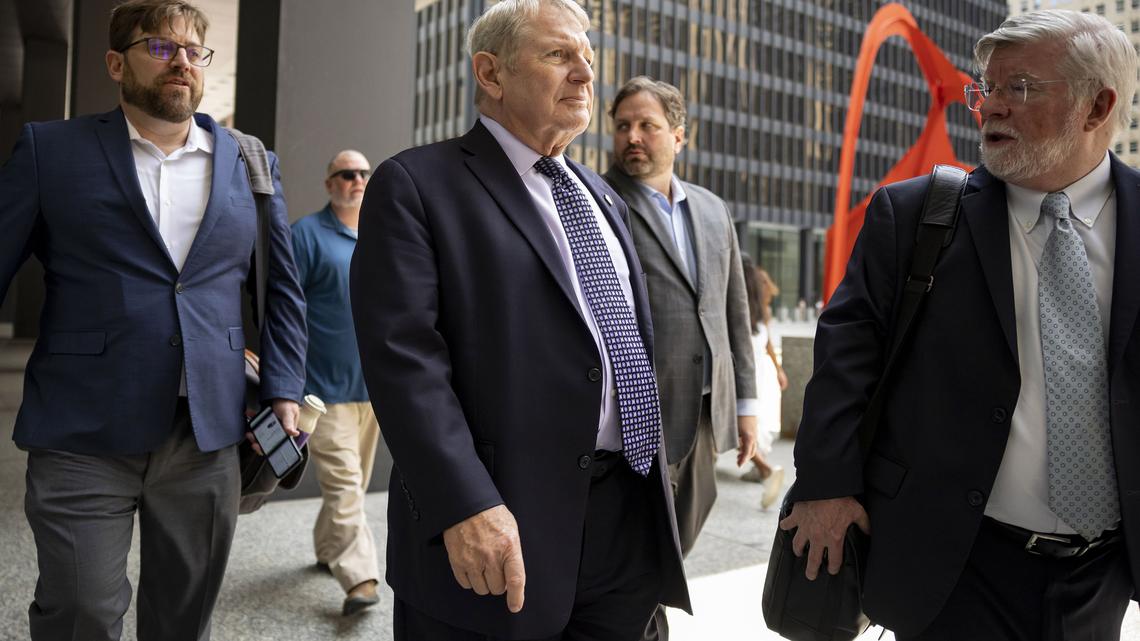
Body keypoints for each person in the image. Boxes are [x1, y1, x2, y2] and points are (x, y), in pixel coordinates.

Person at [783, 9, 1139, 640]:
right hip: (954, 560)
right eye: (987, 88)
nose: (990, 107)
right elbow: (845, 360)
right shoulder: (916, 215)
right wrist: (824, 487)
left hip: (1104, 572)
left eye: (1020, 88)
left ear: (1097, 106)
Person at [349, 1, 690, 639]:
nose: (586, 75)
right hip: (495, 526)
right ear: (491, 72)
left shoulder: (602, 195)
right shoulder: (416, 184)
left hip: (625, 524)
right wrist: (465, 504)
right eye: (559, 55)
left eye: (587, 58)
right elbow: (404, 363)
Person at [0, 1, 307, 639]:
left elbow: (281, 288)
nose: (183, 63)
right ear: (117, 62)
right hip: (81, 428)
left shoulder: (250, 161)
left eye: (195, 51)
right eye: (162, 48)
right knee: (79, 609)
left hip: (208, 430)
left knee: (181, 616)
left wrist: (282, 389)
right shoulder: (50, 150)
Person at [291, 150, 381, 616]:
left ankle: (329, 549)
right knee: (345, 483)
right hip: (322, 391)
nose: (358, 180)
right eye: (347, 174)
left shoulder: (383, 236)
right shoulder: (305, 236)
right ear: (330, 184)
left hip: (374, 391)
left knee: (354, 484)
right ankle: (360, 578)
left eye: (365, 173)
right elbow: (284, 312)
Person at [739, 258, 787, 510]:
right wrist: (779, 370)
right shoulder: (762, 311)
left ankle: (766, 469)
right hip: (762, 374)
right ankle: (760, 468)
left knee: (736, 426)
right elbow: (769, 344)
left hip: (746, 375)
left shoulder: (738, 310)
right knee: (751, 427)